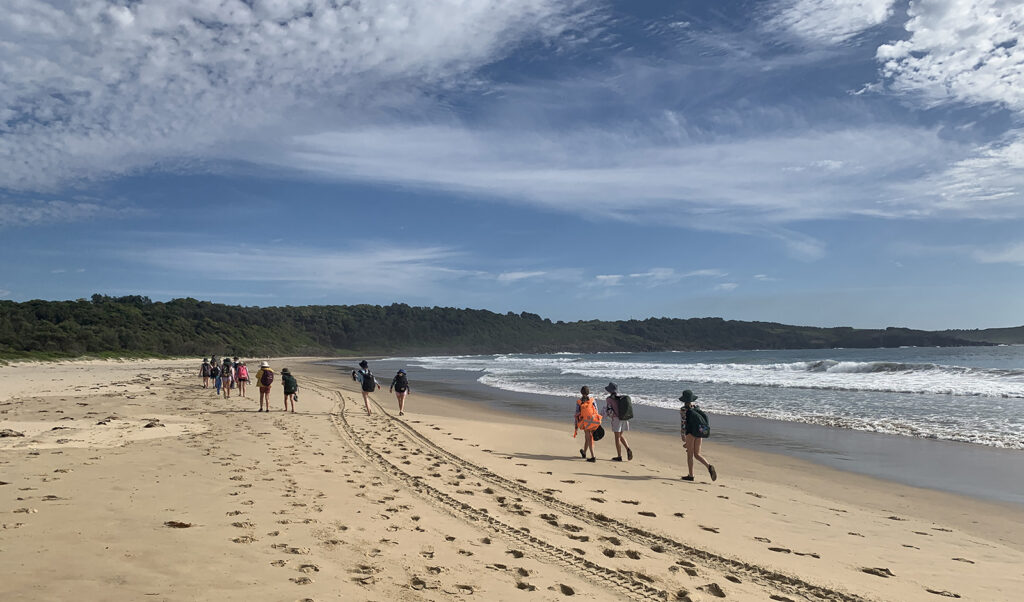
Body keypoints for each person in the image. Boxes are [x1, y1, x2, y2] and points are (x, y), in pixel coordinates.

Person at [680, 390, 716, 482]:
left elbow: (683, 424)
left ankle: (691, 475)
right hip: (699, 432)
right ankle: (709, 466)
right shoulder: (697, 408)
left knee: (690, 455)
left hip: (690, 433)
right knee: (697, 454)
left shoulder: (683, 409)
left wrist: (683, 435)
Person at [603, 382, 634, 462]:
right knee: (620, 436)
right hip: (624, 418)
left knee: (617, 438)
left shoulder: (609, 399)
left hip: (616, 419)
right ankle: (628, 448)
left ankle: (619, 456)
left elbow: (609, 411)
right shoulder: (621, 397)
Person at [574, 386, 601, 463]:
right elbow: (596, 410)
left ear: (581, 393)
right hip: (593, 420)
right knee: (588, 437)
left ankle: (593, 456)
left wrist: (576, 425)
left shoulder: (579, 402)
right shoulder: (592, 400)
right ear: (588, 392)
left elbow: (577, 414)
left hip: (585, 421)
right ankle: (584, 453)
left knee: (588, 438)